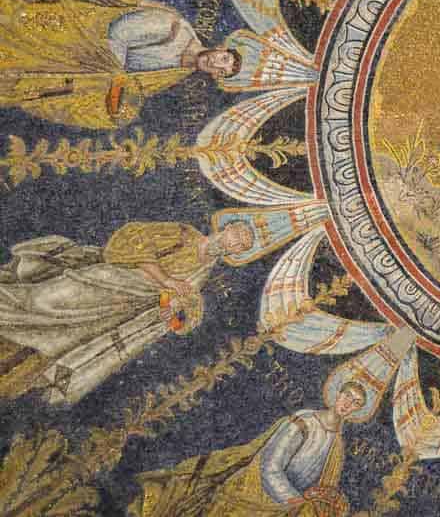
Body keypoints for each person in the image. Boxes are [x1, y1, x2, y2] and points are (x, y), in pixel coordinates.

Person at [0, 0, 240, 129]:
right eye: (223, 58)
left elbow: (133, 86)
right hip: (83, 36)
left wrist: (121, 101)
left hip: (85, 65)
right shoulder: (172, 28)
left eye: (222, 70)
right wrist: (116, 75)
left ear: (216, 76)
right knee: (16, 33)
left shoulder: (178, 73)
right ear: (221, 47)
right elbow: (119, 31)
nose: (216, 64)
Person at [0, 219, 253, 405]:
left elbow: (185, 303)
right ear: (225, 228)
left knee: (70, 337)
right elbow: (134, 239)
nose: (235, 245)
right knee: (43, 299)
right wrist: (166, 279)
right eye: (237, 237)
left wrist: (172, 314)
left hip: (129, 308)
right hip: (113, 280)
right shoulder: (184, 235)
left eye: (240, 247)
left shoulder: (205, 269)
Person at [130, 381, 366, 516]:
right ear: (337, 394)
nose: (348, 404)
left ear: (358, 411)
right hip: (253, 492)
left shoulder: (337, 446)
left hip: (289, 508)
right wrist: (294, 501)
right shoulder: (304, 423)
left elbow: (323, 488)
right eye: (347, 396)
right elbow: (270, 466)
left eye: (356, 403)